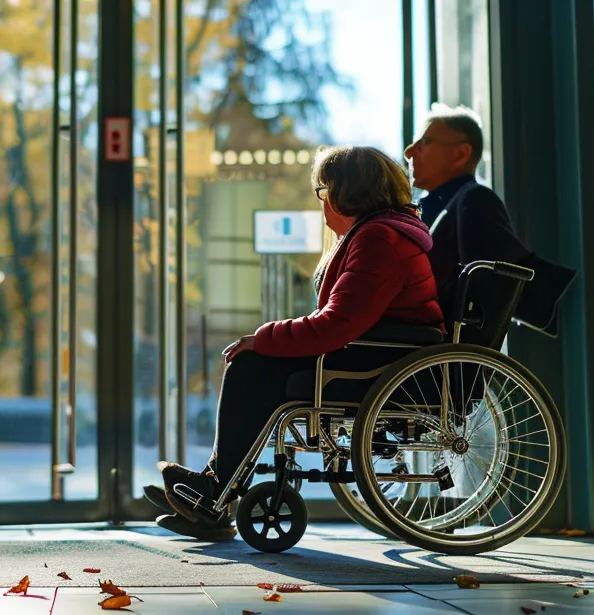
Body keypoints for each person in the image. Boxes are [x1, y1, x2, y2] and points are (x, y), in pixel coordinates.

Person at [145, 146, 443, 540]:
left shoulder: (378, 240)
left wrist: (263, 338)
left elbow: (336, 324)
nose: (322, 202)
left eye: (324, 190)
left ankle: (215, 490)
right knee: (258, 365)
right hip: (380, 356)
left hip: (379, 365)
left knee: (250, 367)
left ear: (345, 194)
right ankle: (216, 491)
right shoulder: (382, 234)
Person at [402, 104, 532, 311]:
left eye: (424, 142)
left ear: (461, 154)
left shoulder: (474, 201)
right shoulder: (441, 206)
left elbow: (480, 293)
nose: (408, 152)